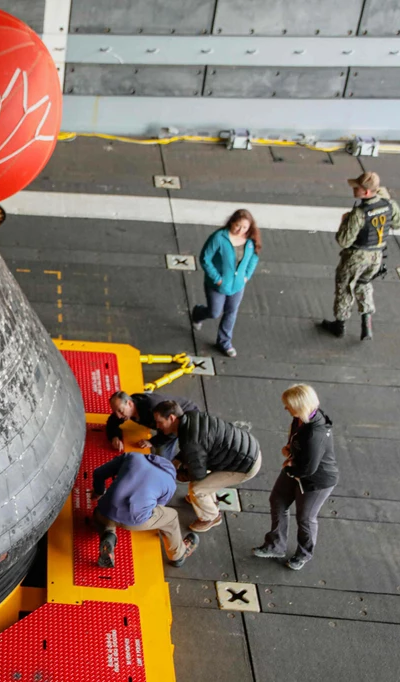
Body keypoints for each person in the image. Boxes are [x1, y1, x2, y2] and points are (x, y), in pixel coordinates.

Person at [253, 385, 338, 571]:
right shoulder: (301, 419)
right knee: (278, 500)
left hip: (316, 481)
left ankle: (304, 554)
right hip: (296, 467)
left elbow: (309, 468)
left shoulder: (316, 434)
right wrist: (290, 449)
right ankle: (276, 546)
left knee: (305, 518)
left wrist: (290, 468)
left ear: (301, 407)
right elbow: (297, 442)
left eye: (288, 405)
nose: (286, 408)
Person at [153, 400, 262, 533]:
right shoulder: (191, 418)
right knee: (204, 484)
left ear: (171, 418)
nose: (158, 426)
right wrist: (177, 460)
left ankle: (211, 517)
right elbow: (198, 446)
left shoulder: (190, 441)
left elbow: (197, 474)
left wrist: (175, 474)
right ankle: (205, 502)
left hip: (244, 466)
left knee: (197, 489)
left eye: (160, 422)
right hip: (246, 448)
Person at [320, 172, 400, 341]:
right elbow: (397, 223)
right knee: (364, 284)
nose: (354, 189)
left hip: (356, 256)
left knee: (345, 288)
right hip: (377, 256)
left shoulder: (359, 213)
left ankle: (340, 324)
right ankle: (366, 323)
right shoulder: (388, 204)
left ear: (366, 192)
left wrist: (345, 221)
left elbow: (343, 240)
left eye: (357, 187)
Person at [92, 452, 199, 568]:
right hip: (135, 522)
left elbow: (98, 473)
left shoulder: (132, 456)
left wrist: (98, 492)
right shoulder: (170, 484)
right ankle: (178, 555)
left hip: (103, 512)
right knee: (172, 516)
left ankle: (108, 535)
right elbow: (157, 507)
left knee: (107, 512)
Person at [191, 209, 261, 358]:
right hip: (217, 285)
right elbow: (205, 258)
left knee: (231, 312)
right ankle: (198, 313)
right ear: (231, 222)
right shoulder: (218, 238)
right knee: (214, 312)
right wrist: (217, 279)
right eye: (237, 225)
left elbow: (254, 257)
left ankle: (224, 342)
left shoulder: (249, 240)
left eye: (245, 228)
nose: (240, 230)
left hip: (237, 285)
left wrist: (246, 275)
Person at [106, 391, 200, 453]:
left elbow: (171, 431)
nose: (118, 415)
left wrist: (152, 442)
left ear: (130, 404)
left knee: (163, 456)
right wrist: (114, 437)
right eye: (116, 412)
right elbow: (112, 422)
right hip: (167, 419)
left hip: (184, 416)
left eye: (120, 411)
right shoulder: (126, 409)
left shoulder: (152, 409)